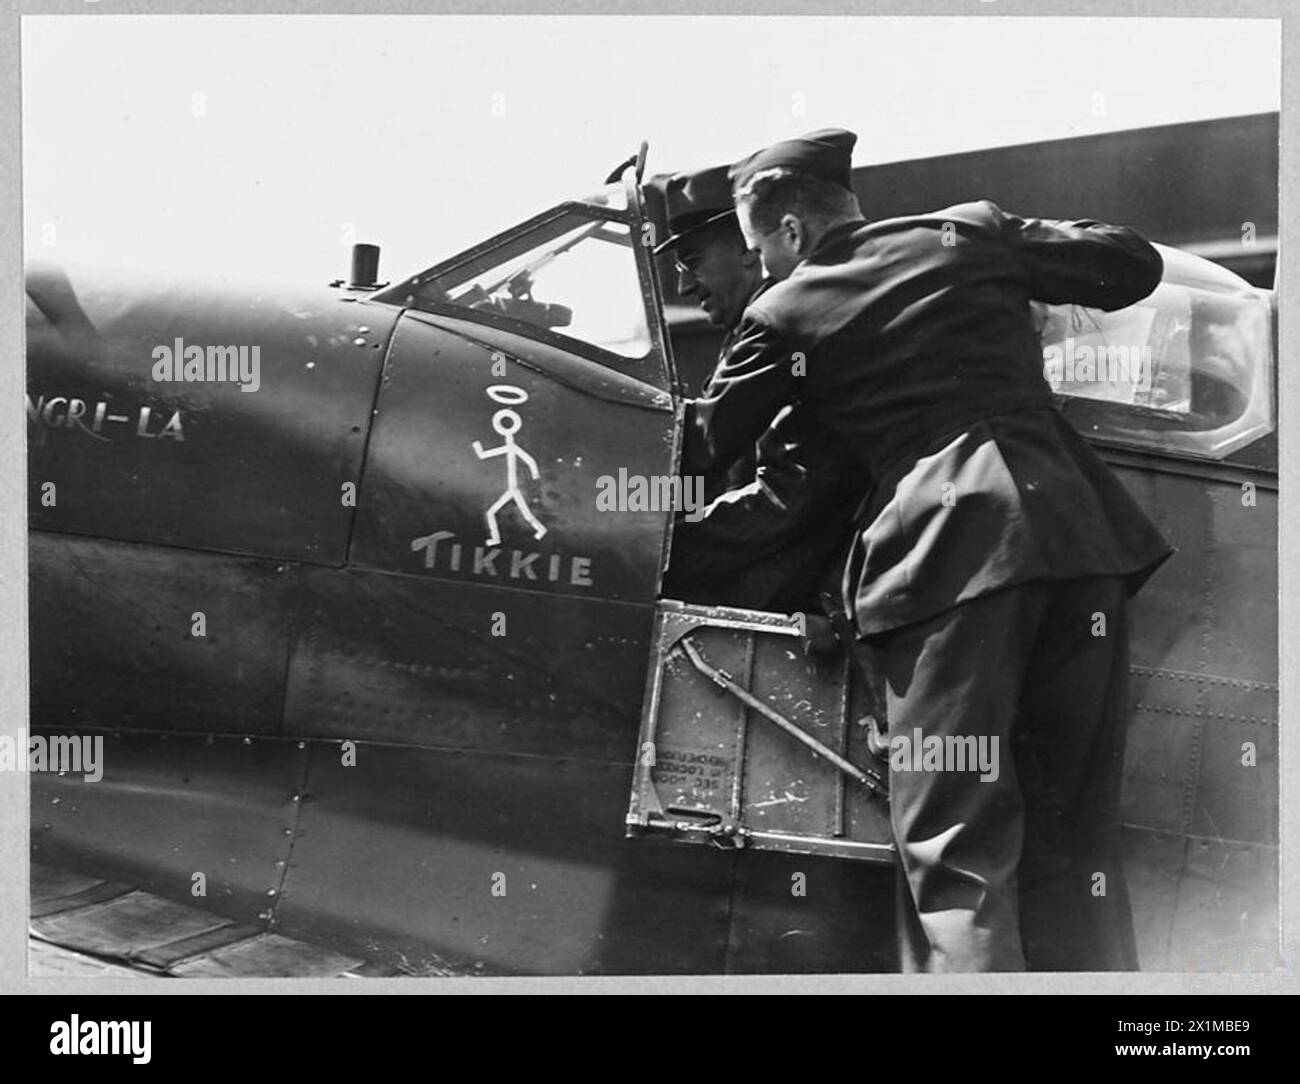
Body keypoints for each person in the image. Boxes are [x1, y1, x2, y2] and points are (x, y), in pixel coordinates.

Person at [683, 128, 1174, 971]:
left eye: (761, 246)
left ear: (791, 232)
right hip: (1082, 539)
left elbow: (699, 444)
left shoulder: (786, 311)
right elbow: (1129, 262)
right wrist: (1012, 247)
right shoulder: (967, 231)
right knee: (1077, 843)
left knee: (957, 855)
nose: (763, 265)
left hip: (952, 563)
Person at [653, 164, 859, 613]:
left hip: (786, 591)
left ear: (748, 248)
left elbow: (792, 492)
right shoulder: (745, 335)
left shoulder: (782, 329)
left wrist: (662, 548)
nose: (684, 285)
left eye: (692, 261)